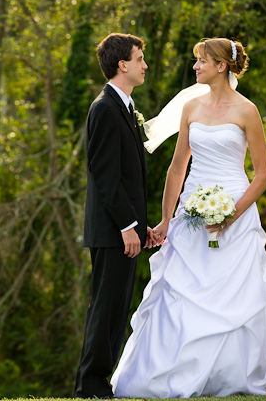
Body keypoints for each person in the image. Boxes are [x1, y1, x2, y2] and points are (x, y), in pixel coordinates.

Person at [110, 38, 266, 397]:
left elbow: (263, 175)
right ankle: (171, 373)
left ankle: (232, 375)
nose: (195, 68)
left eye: (201, 62)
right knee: (182, 291)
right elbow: (177, 168)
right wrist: (166, 221)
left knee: (236, 293)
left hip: (235, 212)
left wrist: (230, 217)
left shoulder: (246, 111)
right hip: (191, 211)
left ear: (221, 66)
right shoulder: (191, 107)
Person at [74, 33, 159, 399]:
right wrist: (127, 226)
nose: (144, 64)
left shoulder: (123, 106)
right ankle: (90, 387)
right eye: (139, 58)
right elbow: (105, 178)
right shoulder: (105, 108)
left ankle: (99, 385)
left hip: (126, 230)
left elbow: (129, 177)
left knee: (115, 311)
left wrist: (143, 227)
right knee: (105, 309)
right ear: (122, 64)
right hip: (112, 231)